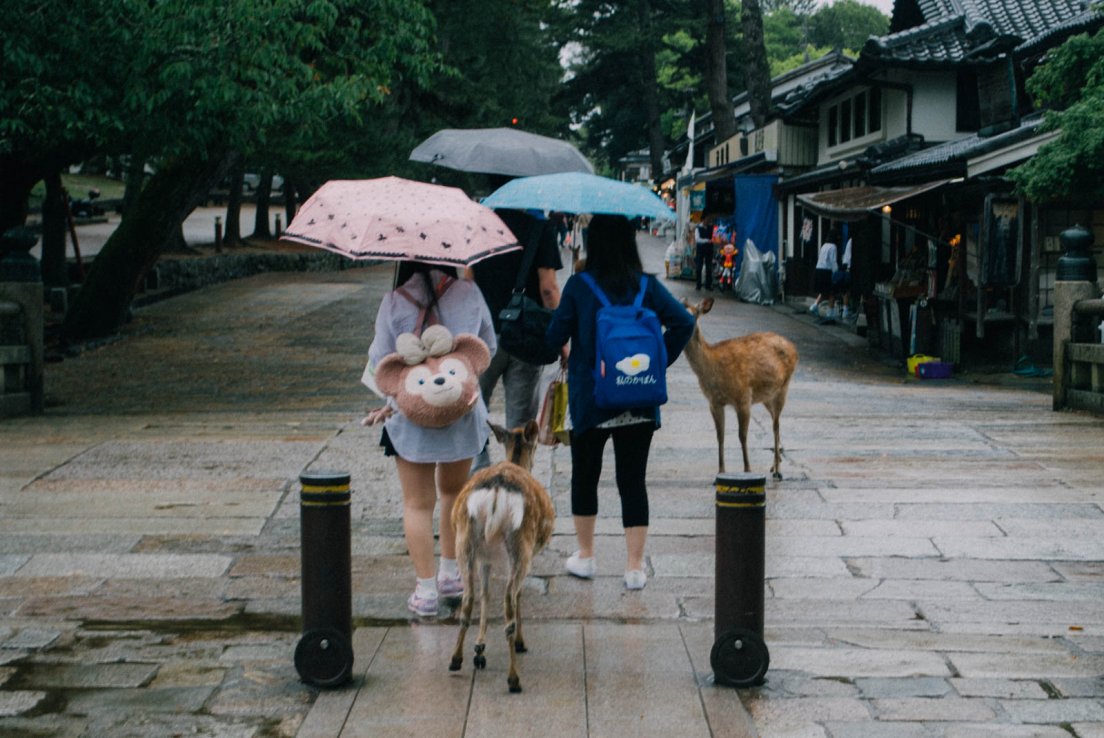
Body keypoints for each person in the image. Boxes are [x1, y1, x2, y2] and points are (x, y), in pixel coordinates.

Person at [545, 214, 695, 590]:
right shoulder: (648, 286)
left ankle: (586, 556)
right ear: (630, 242)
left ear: (593, 243)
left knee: (585, 476)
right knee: (633, 481)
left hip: (592, 399)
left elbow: (553, 338)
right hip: (640, 398)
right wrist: (658, 361)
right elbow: (684, 323)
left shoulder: (580, 286)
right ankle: (634, 568)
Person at [365, 260, 496, 618]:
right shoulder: (469, 293)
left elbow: (379, 361)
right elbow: (487, 348)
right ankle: (450, 574)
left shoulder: (394, 300)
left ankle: (424, 592)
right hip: (462, 414)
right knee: (453, 492)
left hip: (410, 420)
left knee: (417, 504)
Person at [467, 205, 564, 472]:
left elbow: (467, 280)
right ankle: (516, 483)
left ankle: (478, 477)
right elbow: (548, 289)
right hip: (526, 336)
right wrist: (562, 338)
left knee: (473, 409)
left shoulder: (478, 224)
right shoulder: (540, 227)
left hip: (481, 336)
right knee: (520, 424)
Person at [809, 229, 839, 322]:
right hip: (826, 271)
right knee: (831, 292)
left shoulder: (824, 245)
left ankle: (814, 305)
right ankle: (830, 313)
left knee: (823, 291)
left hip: (818, 269)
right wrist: (836, 272)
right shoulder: (833, 246)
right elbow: (833, 261)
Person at [694, 216, 714, 290]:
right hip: (700, 249)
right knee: (699, 267)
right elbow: (697, 239)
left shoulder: (711, 227)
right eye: (707, 219)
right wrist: (707, 240)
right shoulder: (698, 228)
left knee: (709, 267)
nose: (708, 221)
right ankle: (698, 284)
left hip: (709, 250)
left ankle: (708, 285)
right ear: (703, 220)